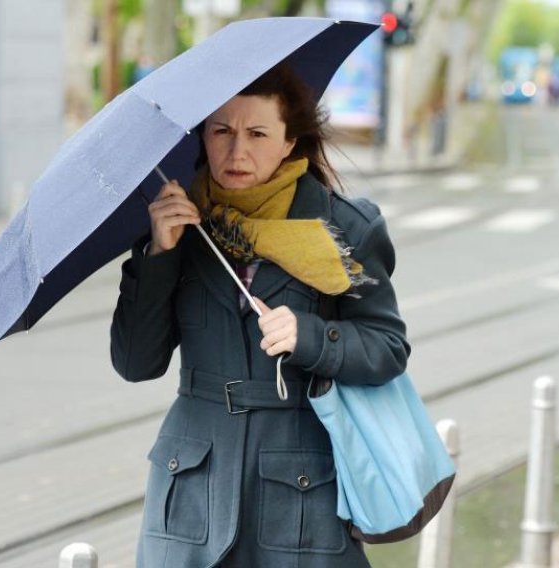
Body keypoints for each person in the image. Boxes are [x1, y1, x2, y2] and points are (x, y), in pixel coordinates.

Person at [110, 61, 409, 567]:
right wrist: (160, 255)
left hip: (300, 491)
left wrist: (312, 336)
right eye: (221, 131)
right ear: (203, 136)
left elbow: (387, 347)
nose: (236, 151)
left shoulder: (345, 229)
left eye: (257, 132)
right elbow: (136, 363)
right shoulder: (180, 220)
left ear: (290, 141)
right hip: (190, 488)